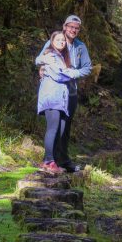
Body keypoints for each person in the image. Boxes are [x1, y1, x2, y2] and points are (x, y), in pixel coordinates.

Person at [35, 15, 91, 173]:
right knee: (54, 126)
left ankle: (63, 160)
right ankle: (50, 160)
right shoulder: (56, 39)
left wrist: (72, 73)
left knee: (65, 127)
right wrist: (45, 65)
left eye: (76, 28)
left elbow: (87, 68)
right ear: (65, 27)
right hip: (54, 90)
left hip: (70, 91)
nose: (73, 30)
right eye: (70, 27)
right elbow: (40, 58)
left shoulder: (80, 47)